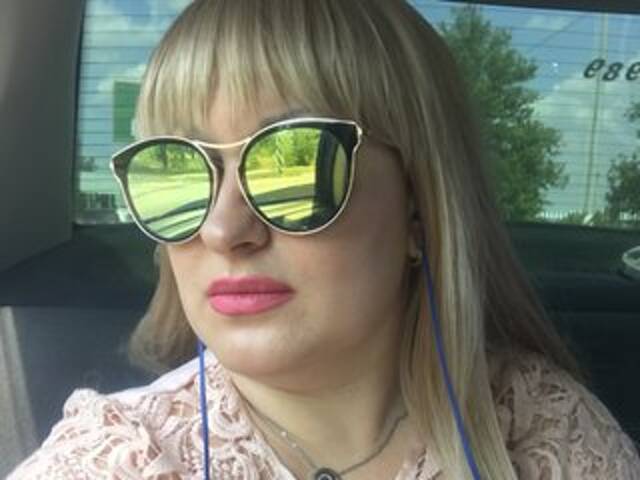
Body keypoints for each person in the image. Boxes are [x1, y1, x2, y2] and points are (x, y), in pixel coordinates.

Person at [7, 1, 640, 479]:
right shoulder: (109, 462)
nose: (223, 230)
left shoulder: (547, 432)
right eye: (173, 172)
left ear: (419, 210)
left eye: (294, 162)